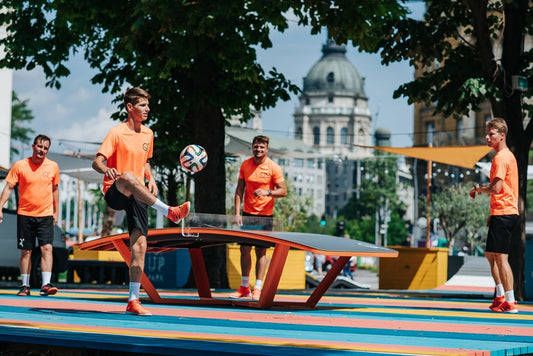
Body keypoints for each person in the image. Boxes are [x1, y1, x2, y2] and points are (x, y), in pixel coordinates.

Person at [92, 87, 190, 316]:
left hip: (138, 192)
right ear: (129, 107)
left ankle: (133, 300)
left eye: (148, 105)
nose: (148, 109)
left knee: (140, 246)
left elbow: (145, 161)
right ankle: (169, 211)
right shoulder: (116, 132)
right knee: (127, 176)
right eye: (143, 105)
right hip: (116, 190)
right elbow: (97, 162)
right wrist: (107, 171)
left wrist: (151, 178)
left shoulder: (148, 134)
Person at [469, 117, 519, 313]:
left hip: (505, 212)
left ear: (502, 136)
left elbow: (497, 188)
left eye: (491, 134)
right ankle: (499, 295)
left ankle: (510, 301)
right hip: (502, 212)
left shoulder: (501, 157)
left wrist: (478, 188)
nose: (487, 137)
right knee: (491, 255)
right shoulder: (505, 156)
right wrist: (493, 213)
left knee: (501, 258)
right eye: (487, 133)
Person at [0, 134, 60, 297]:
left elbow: (55, 189)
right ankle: (25, 285)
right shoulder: (20, 165)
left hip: (45, 214)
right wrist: (0, 207)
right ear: (33, 146)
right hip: (25, 215)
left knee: (47, 248)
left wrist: (56, 211)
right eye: (40, 146)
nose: (42, 150)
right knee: (26, 251)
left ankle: (46, 284)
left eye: (45, 148)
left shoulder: (53, 166)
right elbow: (9, 187)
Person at [230, 135, 287, 301]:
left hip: (265, 217)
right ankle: (244, 287)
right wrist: (237, 213)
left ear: (266, 149)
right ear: (252, 148)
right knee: (244, 249)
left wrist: (268, 192)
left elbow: (283, 191)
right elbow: (239, 190)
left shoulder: (273, 167)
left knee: (261, 252)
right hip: (247, 215)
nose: (258, 150)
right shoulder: (245, 165)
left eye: (262, 147)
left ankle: (258, 288)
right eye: (256, 147)